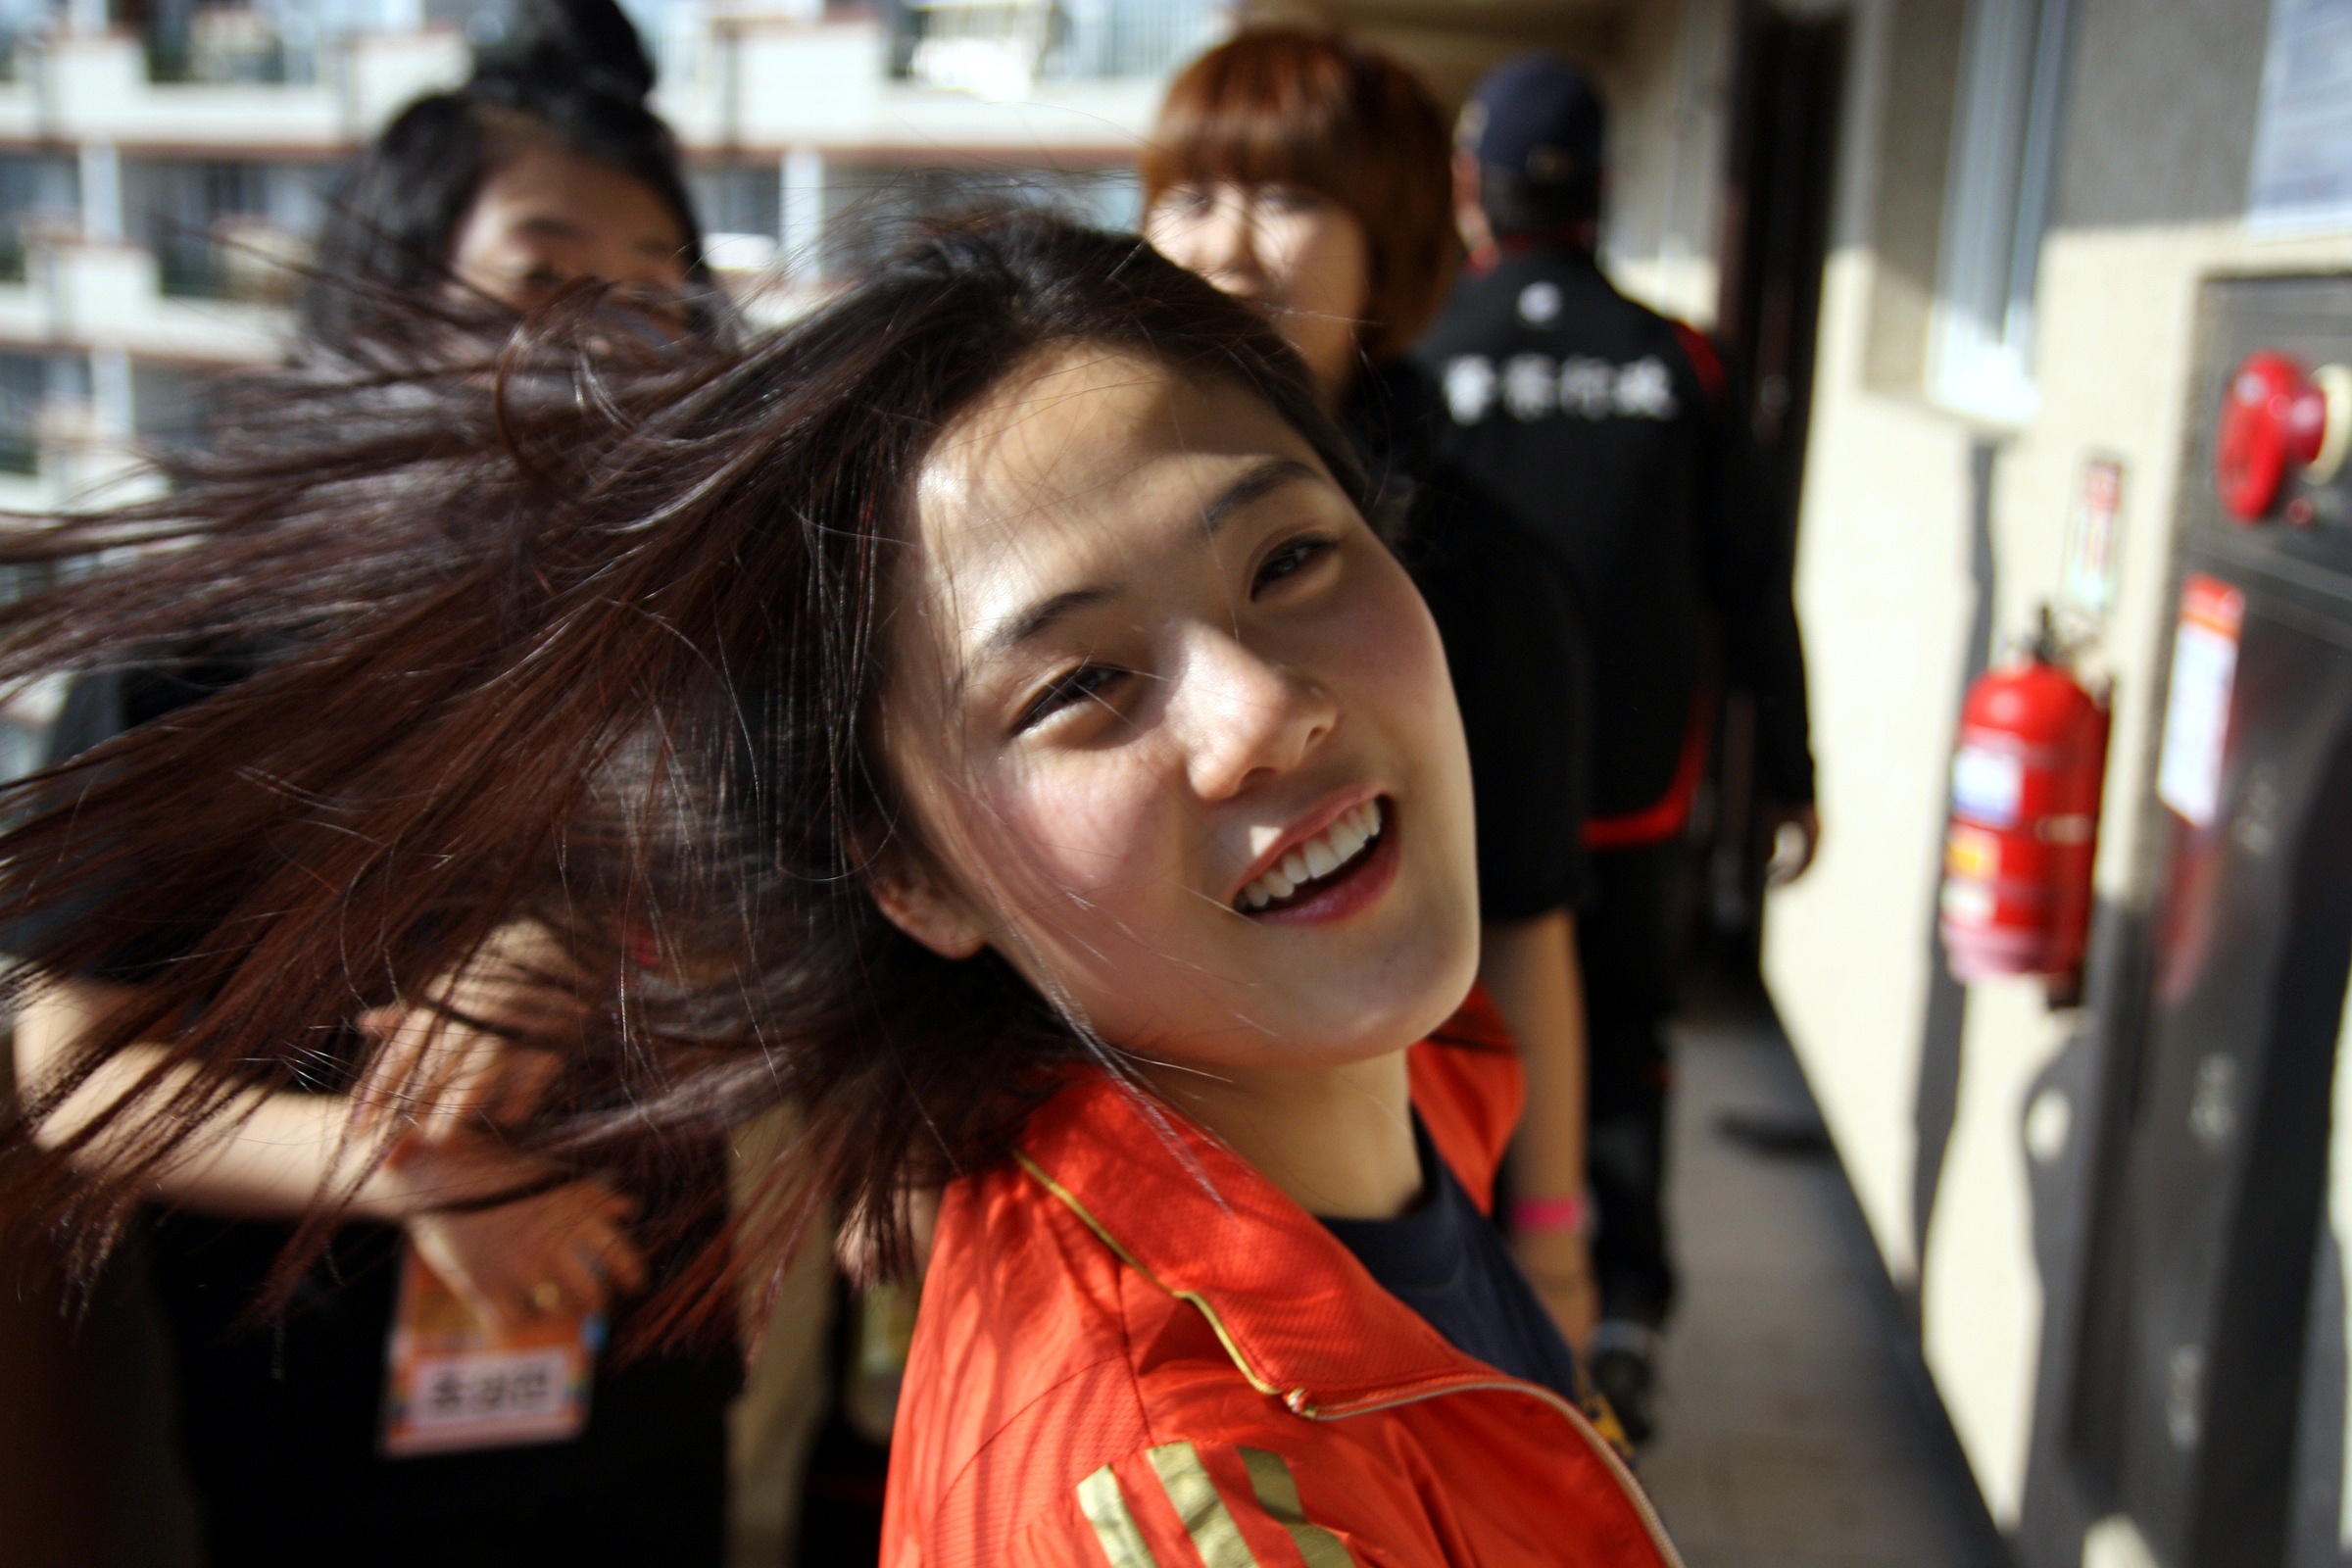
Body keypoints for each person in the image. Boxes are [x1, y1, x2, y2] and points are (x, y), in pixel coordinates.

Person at [0, 212, 1679, 1566]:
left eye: (1290, 557)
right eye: (1077, 686)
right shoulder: (1198, 1493)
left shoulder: (1406, 1088)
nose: (1261, 711)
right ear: (911, 877)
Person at [6, 5, 744, 1563]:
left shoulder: (688, 625)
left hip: (655, 1375)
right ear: (397, 295)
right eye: (544, 273)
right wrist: (407, 1168)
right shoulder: (206, 636)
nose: (615, 330)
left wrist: (576, 936)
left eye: (660, 287)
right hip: (329, 1437)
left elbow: (803, 920)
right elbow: (70, 1068)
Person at [1141, 29, 1603, 1354]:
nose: (1225, 249)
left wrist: (1551, 1239)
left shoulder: (1472, 569)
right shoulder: (1089, 515)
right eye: (1191, 195)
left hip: (1388, 1202)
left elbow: (1526, 925)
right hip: (1142, 1207)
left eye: (1287, 198)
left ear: (1390, 246)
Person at [1412, 52, 1820, 1440]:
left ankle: (1467, 1320)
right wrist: (1790, 771)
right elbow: (1753, 584)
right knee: (1630, 1043)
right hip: (1635, 794)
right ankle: (1626, 1308)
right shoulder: (1679, 361)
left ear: (1470, 187)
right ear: (1605, 183)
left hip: (1467, 809)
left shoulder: (1423, 361)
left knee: (1458, 1043)